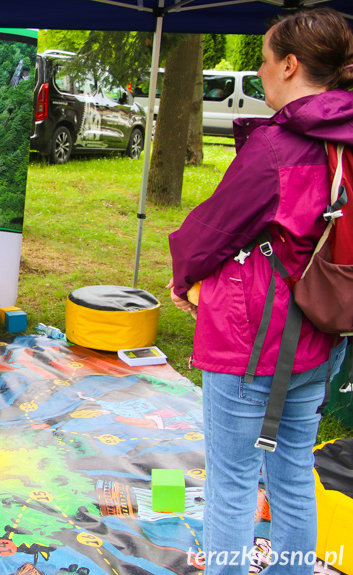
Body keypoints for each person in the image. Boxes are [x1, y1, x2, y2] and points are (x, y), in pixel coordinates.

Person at [167, 8, 353, 574]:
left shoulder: (279, 146)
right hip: (326, 327)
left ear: (290, 65)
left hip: (258, 337)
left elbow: (211, 229)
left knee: (233, 480)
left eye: (265, 62)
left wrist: (185, 278)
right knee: (294, 470)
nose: (262, 73)